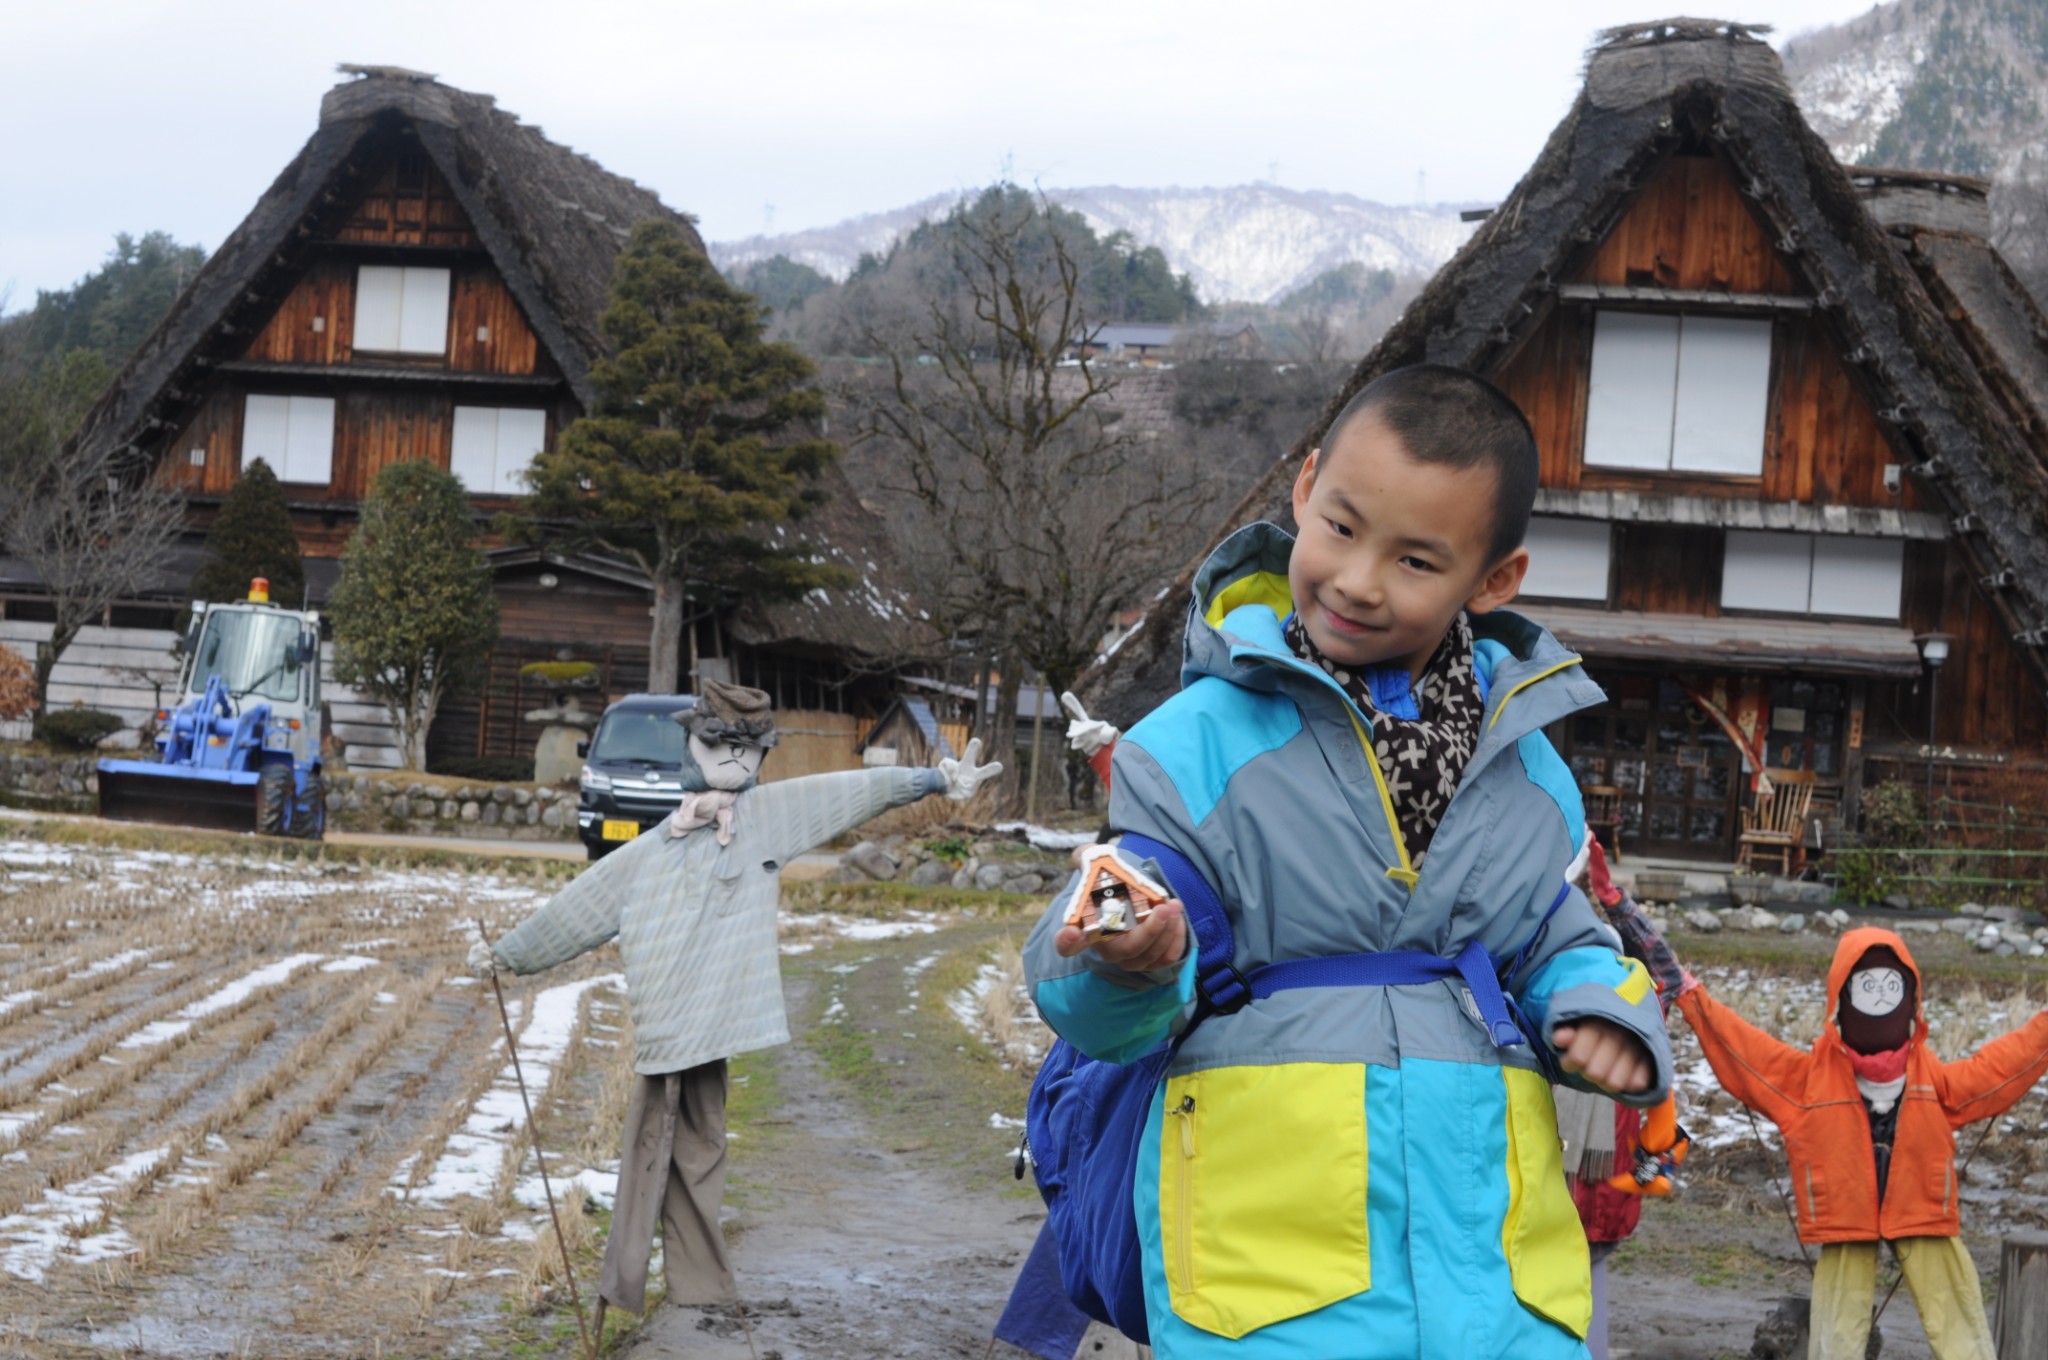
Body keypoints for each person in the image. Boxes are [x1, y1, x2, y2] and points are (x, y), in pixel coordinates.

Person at [1022, 364, 1673, 1359]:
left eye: (1415, 560)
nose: (1358, 580)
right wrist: (1123, 953)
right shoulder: (1193, 743)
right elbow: (1119, 927)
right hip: (1267, 1277)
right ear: (1305, 486)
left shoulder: (1527, 768)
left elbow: (1554, 934)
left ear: (1491, 580)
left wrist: (1597, 1005)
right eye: (1339, 527)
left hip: (1494, 1275)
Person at [470, 681, 1000, 1329]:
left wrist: (933, 780)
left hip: (715, 1021)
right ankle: (641, 1287)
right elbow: (582, 905)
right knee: (650, 1153)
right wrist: (509, 955)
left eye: (748, 750)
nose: (733, 761)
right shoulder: (650, 852)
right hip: (667, 1025)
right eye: (718, 745)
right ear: (692, 747)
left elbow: (844, 794)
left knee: (699, 1147)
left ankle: (686, 1287)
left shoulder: (764, 819)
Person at [1678, 927, 2048, 1360]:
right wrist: (1691, 999)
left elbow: (2000, 1068)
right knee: (1837, 1337)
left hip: (1921, 1212)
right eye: (1866, 986)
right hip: (1845, 1219)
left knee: (1959, 1329)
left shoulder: (1933, 1080)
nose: (1878, 996)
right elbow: (1745, 1053)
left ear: (1910, 1000)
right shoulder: (1810, 1080)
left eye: (1891, 987)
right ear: (1842, 998)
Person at [1560, 839, 1689, 1360]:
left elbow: (1669, 974)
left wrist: (1609, 898)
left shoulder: (1627, 1021)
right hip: (1573, 1199)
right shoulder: (1575, 1015)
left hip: (1591, 1200)